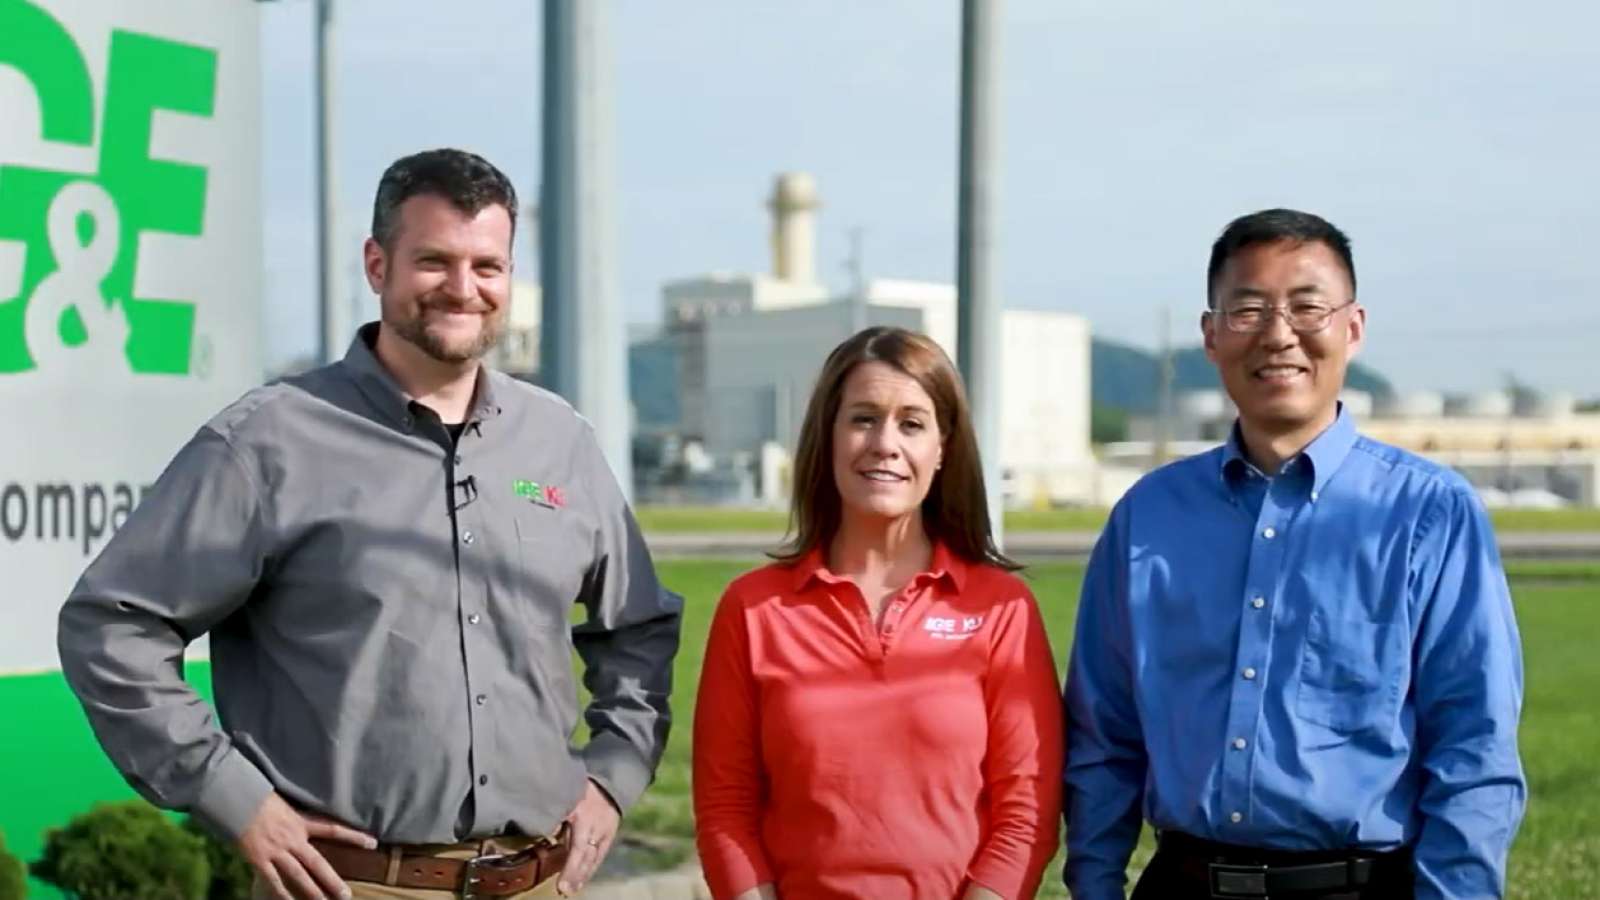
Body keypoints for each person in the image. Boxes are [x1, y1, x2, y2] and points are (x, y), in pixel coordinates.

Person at [57, 148, 682, 900]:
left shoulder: (561, 442)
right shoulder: (269, 441)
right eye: (434, 261)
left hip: (540, 882)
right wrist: (232, 795)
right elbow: (113, 625)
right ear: (377, 264)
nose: (463, 288)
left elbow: (638, 629)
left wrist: (612, 776)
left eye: (488, 266)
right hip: (350, 886)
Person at [1063, 208, 1526, 899]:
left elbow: (1474, 744)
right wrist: (1095, 886)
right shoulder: (1148, 518)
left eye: (1307, 306)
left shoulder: (1428, 512)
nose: (1279, 334)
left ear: (1353, 327)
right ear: (1211, 335)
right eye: (1247, 309)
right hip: (1185, 882)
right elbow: (1104, 734)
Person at [692, 326, 1063, 900]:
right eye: (863, 418)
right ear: (829, 436)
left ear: (943, 449)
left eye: (912, 423)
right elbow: (725, 810)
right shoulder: (753, 608)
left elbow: (1026, 810)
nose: (884, 443)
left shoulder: (1001, 608)